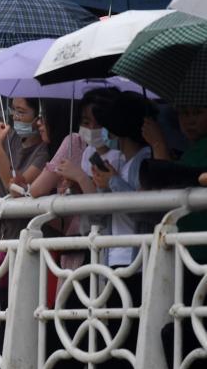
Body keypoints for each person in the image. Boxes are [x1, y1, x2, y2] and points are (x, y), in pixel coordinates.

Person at [89, 92, 157, 269]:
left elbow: (145, 211)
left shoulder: (146, 161)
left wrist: (113, 182)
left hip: (136, 263)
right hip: (113, 258)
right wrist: (103, 186)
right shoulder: (122, 164)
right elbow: (98, 217)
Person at [50, 89, 124, 195]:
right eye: (86, 122)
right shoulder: (88, 151)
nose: (92, 128)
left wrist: (80, 177)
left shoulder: (119, 157)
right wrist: (75, 185)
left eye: (99, 123)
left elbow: (100, 204)